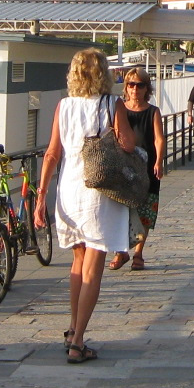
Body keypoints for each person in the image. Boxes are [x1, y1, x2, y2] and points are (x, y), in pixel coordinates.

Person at [34, 49, 138, 363]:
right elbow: (129, 144)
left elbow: (52, 153)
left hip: (68, 189)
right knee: (94, 266)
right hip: (99, 191)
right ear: (103, 73)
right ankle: (79, 341)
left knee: (78, 263)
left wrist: (41, 196)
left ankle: (71, 327)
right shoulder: (112, 104)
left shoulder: (63, 106)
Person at [109, 68, 165, 272]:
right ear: (126, 87)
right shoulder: (119, 109)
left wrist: (159, 161)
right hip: (125, 168)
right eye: (131, 84)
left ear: (146, 88)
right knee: (121, 210)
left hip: (147, 168)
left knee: (145, 212)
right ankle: (121, 251)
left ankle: (138, 253)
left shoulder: (153, 112)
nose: (135, 89)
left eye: (139, 85)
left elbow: (159, 139)